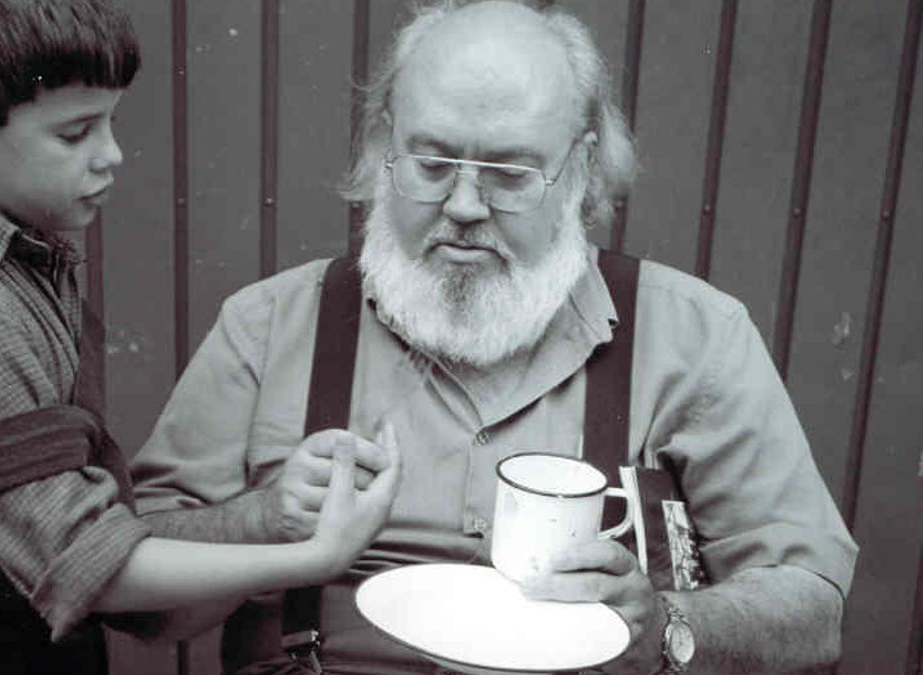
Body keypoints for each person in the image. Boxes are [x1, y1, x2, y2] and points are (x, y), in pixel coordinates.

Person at [129, 1, 859, 673]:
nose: (466, 205)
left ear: (582, 164)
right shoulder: (269, 325)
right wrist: (258, 520)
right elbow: (140, 601)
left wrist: (665, 626)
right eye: (433, 163)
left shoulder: (697, 334)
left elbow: (813, 611)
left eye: (510, 173)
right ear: (386, 143)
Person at [0, 1, 401, 673]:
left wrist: (268, 513)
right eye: (76, 132)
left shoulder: (16, 257)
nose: (112, 154)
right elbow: (89, 565)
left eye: (110, 121)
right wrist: (314, 558)